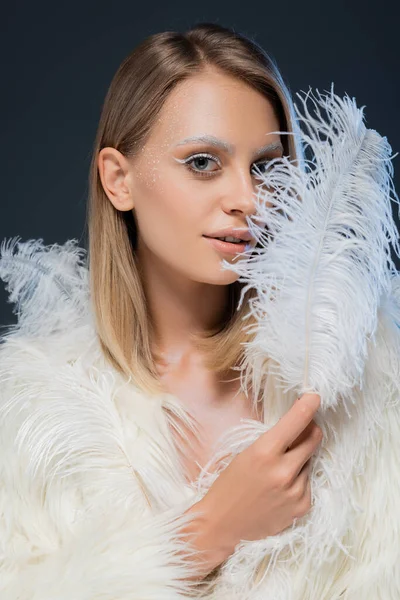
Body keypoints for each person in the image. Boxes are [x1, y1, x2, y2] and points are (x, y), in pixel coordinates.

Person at [0, 22, 398, 600]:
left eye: (265, 166)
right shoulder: (31, 410)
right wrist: (209, 532)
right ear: (119, 179)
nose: (249, 199)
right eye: (204, 163)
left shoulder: (361, 374)